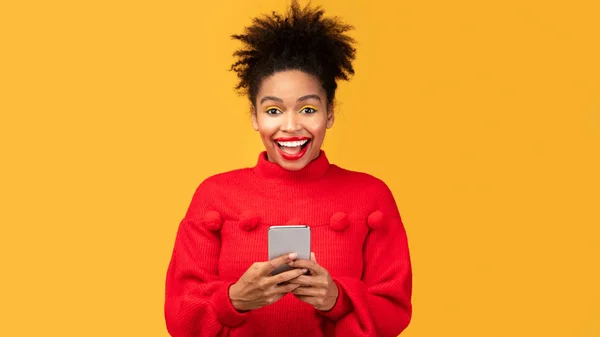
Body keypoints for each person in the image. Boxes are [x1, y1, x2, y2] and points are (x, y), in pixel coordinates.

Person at [164, 1, 412, 336]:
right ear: (254, 116)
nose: (291, 126)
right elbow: (179, 319)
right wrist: (234, 300)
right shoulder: (214, 195)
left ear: (330, 113)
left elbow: (394, 311)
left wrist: (337, 299)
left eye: (308, 109)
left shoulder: (370, 195)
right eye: (274, 111)